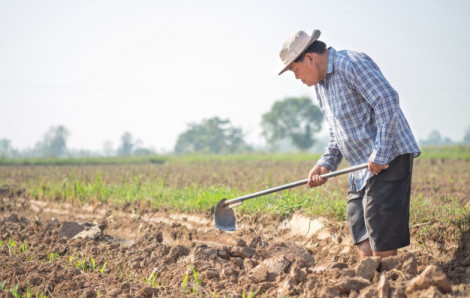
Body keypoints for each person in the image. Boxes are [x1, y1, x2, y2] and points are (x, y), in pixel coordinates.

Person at [278, 29, 420, 259]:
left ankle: (389, 287)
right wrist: (325, 164)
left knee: (379, 224)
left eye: (295, 70)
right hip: (361, 167)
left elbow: (387, 100)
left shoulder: (351, 63)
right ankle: (370, 285)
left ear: (310, 59)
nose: (297, 78)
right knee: (359, 224)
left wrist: (380, 152)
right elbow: (337, 132)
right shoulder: (320, 86)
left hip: (388, 158)